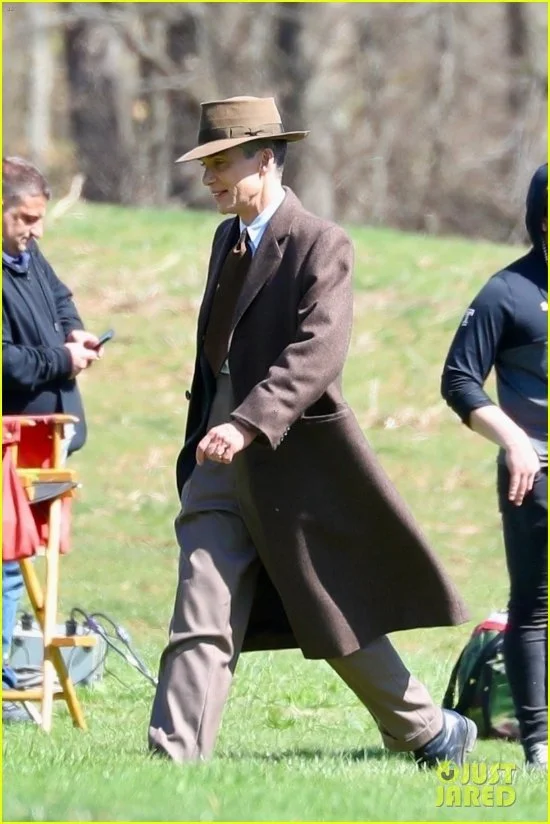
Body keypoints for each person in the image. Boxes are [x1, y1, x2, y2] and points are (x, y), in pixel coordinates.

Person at [149, 96, 476, 767]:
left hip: (292, 459)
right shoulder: (224, 241)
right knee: (200, 610)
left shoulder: (322, 241)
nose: (208, 177)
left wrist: (248, 423)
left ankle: (429, 730)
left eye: (220, 163)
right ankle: (173, 763)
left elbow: (318, 351)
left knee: (329, 609)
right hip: (217, 457)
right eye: (206, 164)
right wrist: (218, 426)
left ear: (265, 159)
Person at [441, 164, 548, 769]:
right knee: (536, 606)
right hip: (537, 472)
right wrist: (512, 439)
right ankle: (539, 745)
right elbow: (459, 379)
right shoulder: (507, 292)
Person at [2, 156, 101, 722]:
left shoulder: (27, 255)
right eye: (25, 218)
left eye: (39, 218)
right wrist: (61, 360)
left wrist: (75, 333)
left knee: (16, 559)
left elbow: (60, 298)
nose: (36, 230)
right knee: (5, 561)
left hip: (49, 446)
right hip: (12, 445)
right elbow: (6, 364)